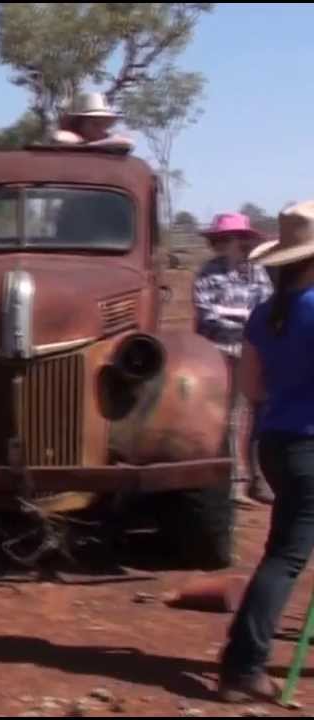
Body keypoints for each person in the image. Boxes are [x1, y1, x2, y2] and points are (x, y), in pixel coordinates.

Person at [219, 199, 314, 703]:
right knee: (285, 559)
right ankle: (243, 666)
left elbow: (253, 389)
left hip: (276, 443)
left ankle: (244, 660)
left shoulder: (264, 314)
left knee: (284, 551)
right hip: (309, 445)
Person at [193, 212, 275, 504]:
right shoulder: (207, 273)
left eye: (238, 238)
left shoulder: (258, 272)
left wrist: (237, 318)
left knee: (255, 413)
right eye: (226, 238)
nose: (233, 243)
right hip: (217, 353)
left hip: (252, 351)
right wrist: (243, 319)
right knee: (229, 416)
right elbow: (206, 315)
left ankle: (257, 477)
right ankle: (233, 482)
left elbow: (265, 310)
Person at [50, 92, 135, 152]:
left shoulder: (107, 140)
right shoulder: (72, 138)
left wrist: (91, 145)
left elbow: (126, 142)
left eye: (104, 124)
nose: (100, 128)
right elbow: (58, 137)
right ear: (79, 123)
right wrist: (84, 144)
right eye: (95, 123)